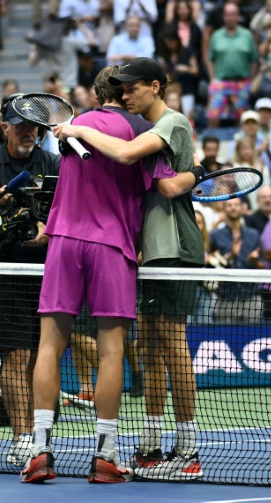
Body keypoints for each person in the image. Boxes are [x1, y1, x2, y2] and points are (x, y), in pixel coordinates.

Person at [23, 65, 190, 483]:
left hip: (63, 241)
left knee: (49, 345)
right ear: (126, 92)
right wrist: (196, 174)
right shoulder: (143, 128)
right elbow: (167, 187)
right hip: (112, 245)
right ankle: (105, 455)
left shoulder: (75, 124)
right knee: (112, 350)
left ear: (99, 94)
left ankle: (39, 449)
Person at [0, 93, 60, 469]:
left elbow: (70, 211)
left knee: (43, 358)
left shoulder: (53, 162)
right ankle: (22, 437)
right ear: (4, 128)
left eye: (33, 126)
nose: (28, 132)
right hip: (4, 272)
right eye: (20, 125)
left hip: (49, 271)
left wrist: (45, 230)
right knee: (16, 357)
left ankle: (41, 436)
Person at [209, 198, 263, 324]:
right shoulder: (216, 235)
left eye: (236, 205)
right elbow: (210, 265)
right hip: (226, 297)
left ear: (242, 208)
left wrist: (254, 261)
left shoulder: (254, 234)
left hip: (251, 296)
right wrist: (231, 255)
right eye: (229, 205)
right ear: (223, 208)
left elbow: (263, 265)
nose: (233, 208)